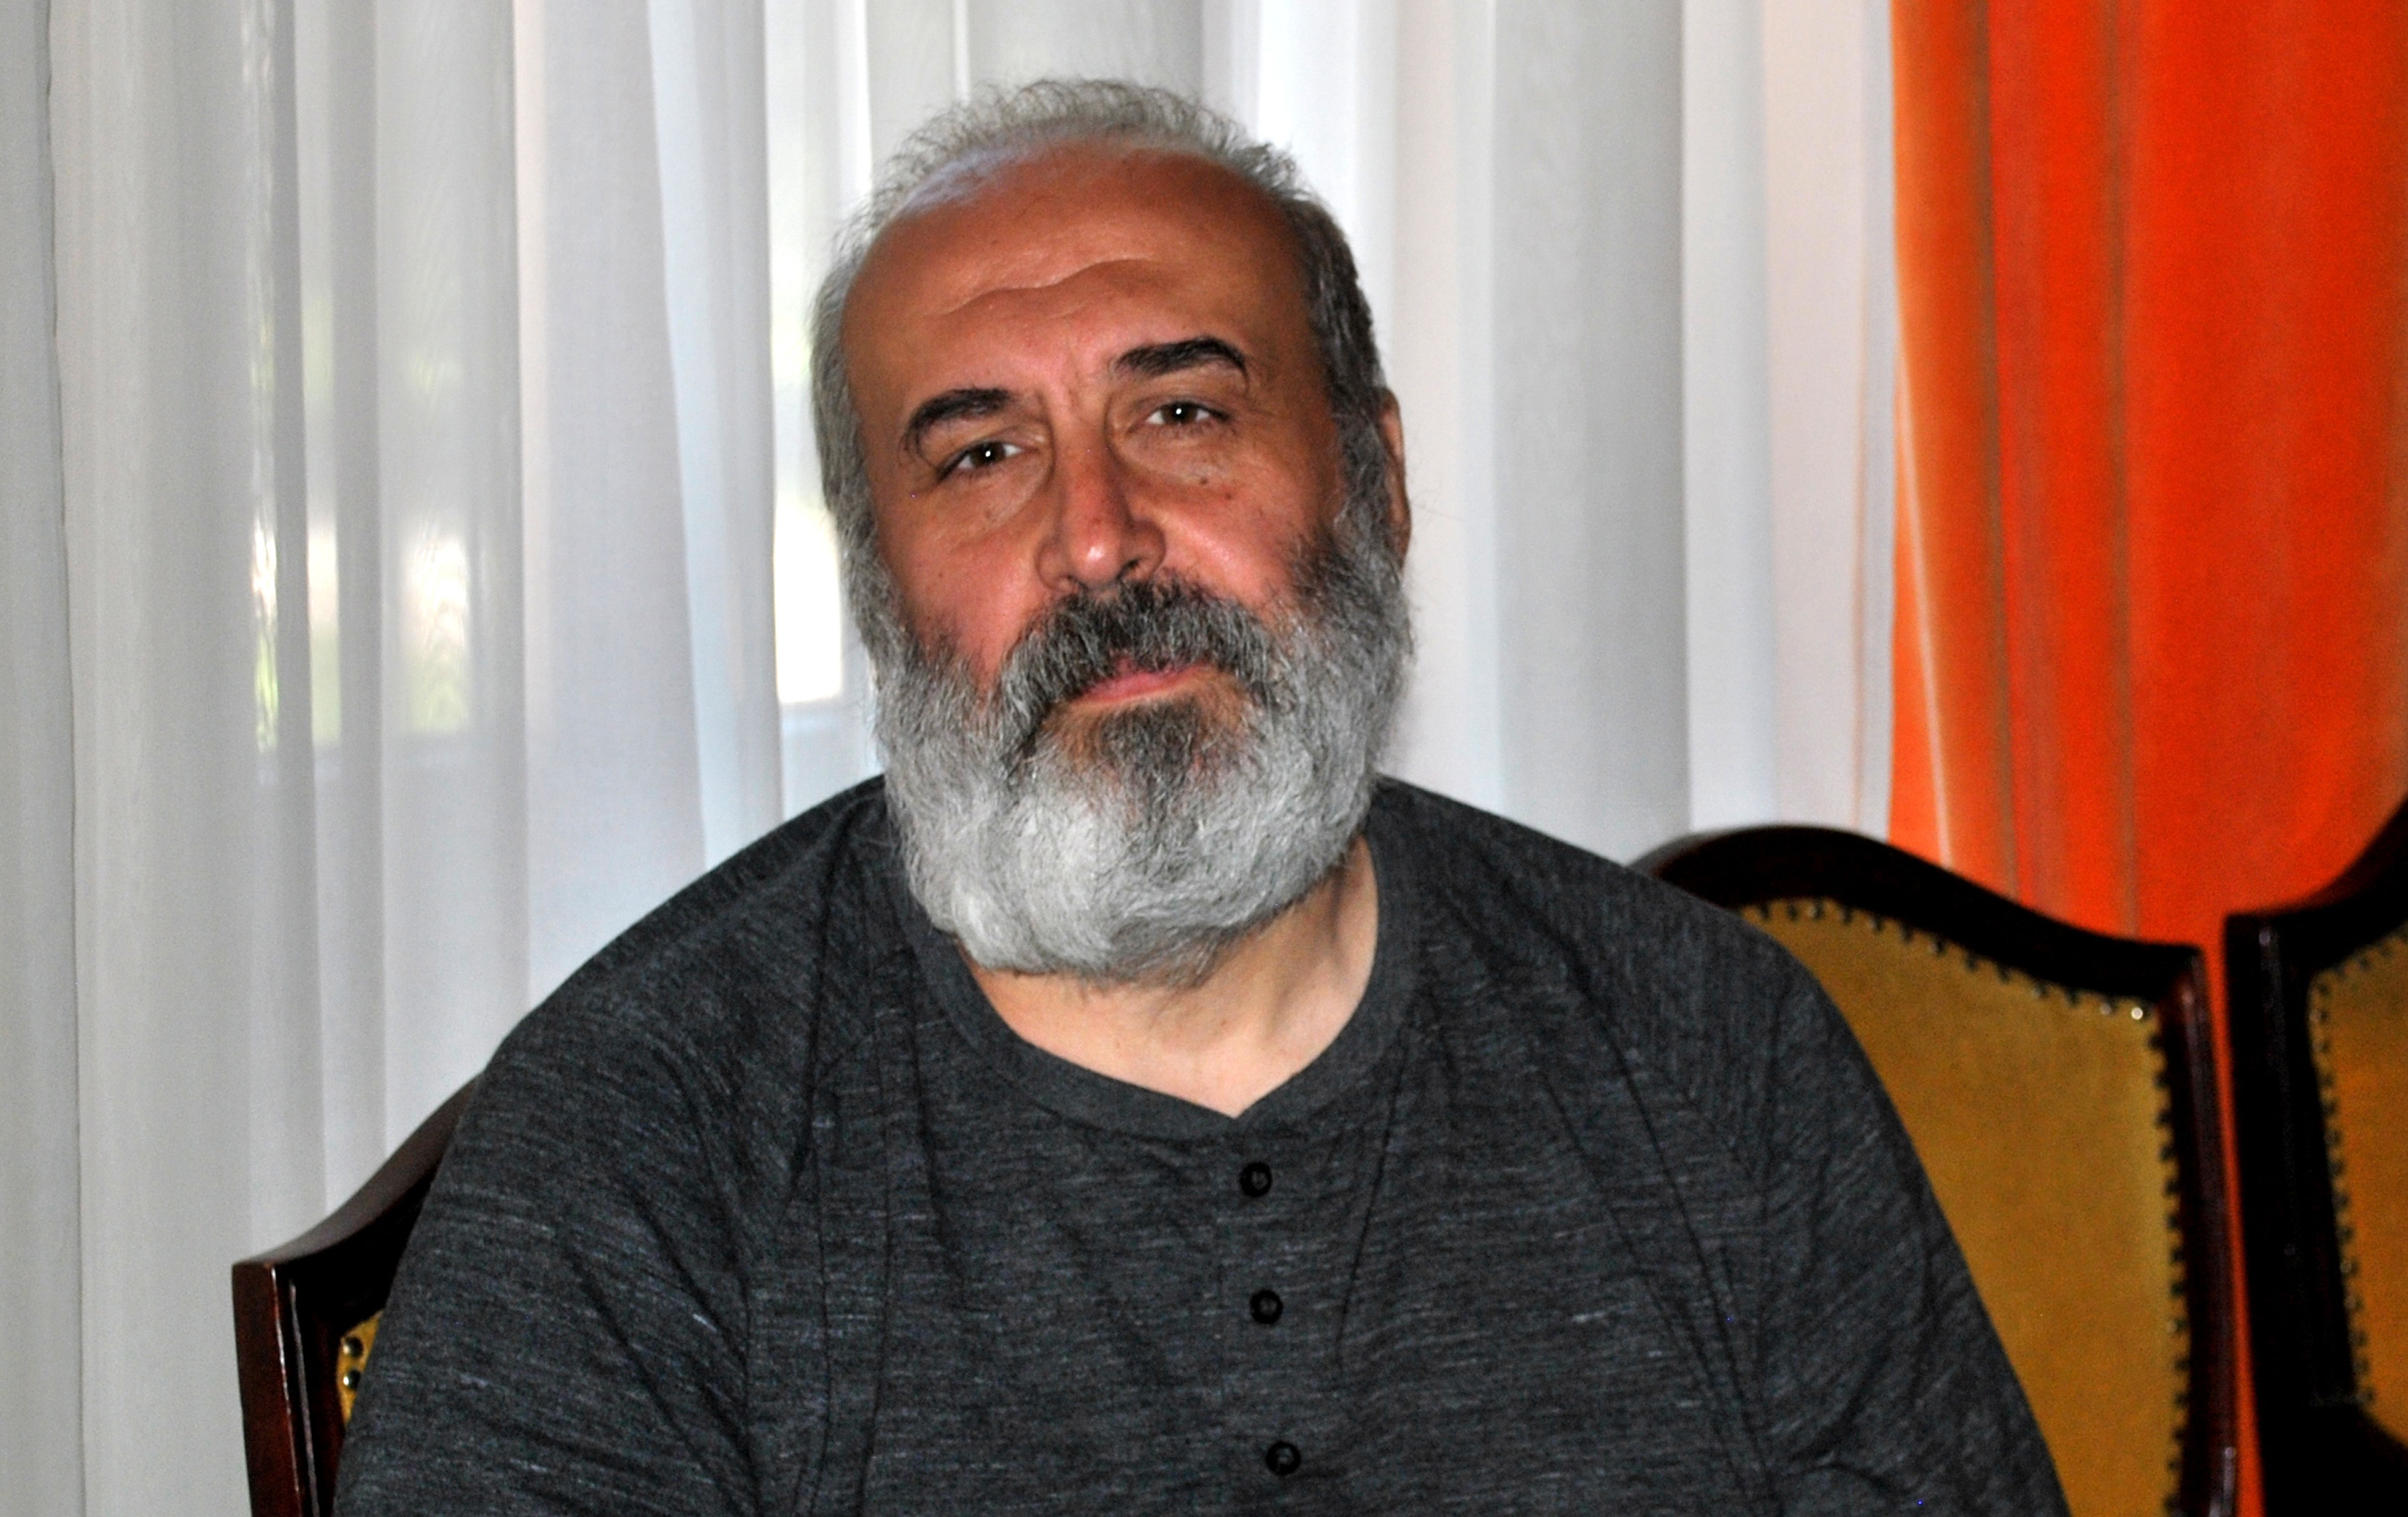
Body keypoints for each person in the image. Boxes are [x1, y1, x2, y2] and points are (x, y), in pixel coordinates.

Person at [335, 80, 2066, 1515]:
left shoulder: (1709, 1052)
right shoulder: (636, 1139)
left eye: (1179, 410)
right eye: (980, 454)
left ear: (1375, 483)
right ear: (876, 586)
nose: (1095, 538)